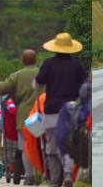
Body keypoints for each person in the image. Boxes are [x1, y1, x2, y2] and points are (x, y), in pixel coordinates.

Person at [34, 33, 88, 187]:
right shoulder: (77, 65)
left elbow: (38, 83)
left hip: (51, 111)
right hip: (72, 112)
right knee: (68, 145)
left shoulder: (48, 64)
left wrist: (38, 103)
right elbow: (85, 87)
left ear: (55, 48)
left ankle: (55, 180)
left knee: (51, 146)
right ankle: (68, 174)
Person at [0, 49, 40, 185]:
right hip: (39, 113)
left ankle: (29, 176)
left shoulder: (17, 75)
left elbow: (0, 89)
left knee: (26, 146)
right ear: (36, 60)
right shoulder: (42, 73)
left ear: (22, 61)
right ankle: (40, 174)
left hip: (24, 115)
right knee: (40, 144)